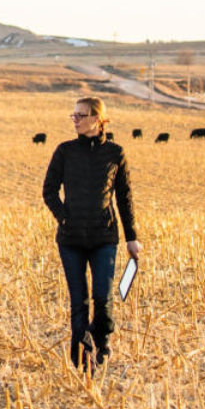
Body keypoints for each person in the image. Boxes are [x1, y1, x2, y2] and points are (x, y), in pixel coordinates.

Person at [41, 96, 143, 369]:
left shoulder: (115, 153)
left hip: (104, 237)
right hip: (71, 240)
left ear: (97, 120)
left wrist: (132, 238)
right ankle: (82, 360)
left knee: (102, 297)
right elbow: (49, 190)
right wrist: (64, 218)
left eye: (81, 115)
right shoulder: (65, 151)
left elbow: (124, 197)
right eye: (73, 115)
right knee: (79, 302)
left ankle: (103, 341)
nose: (75, 119)